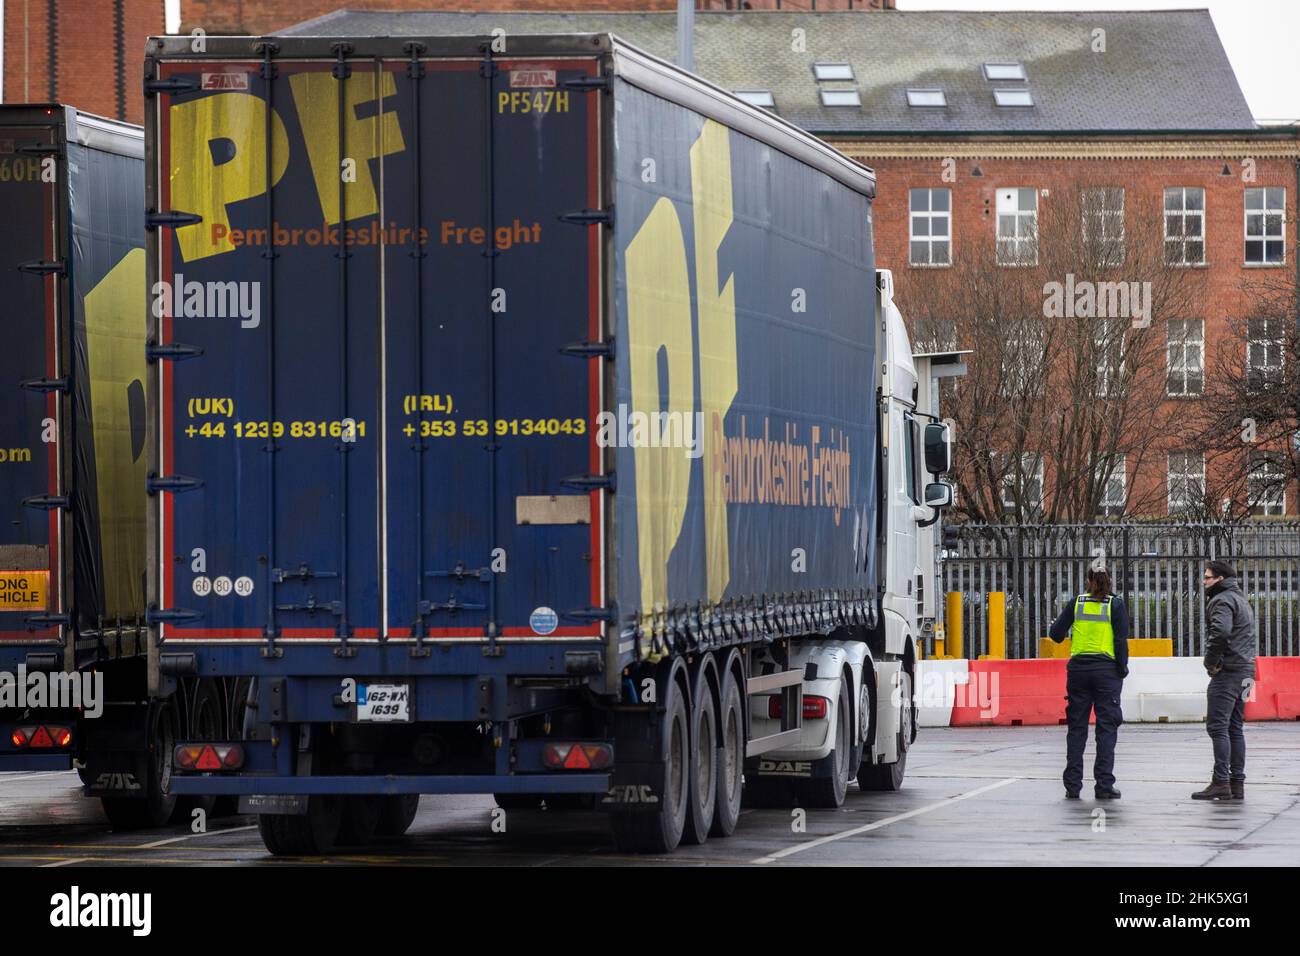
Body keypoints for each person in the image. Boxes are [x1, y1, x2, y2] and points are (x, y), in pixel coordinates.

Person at [1048, 568, 1129, 800]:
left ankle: (1072, 785)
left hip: (1078, 671)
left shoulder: (1077, 603)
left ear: (1087, 581)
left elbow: (1055, 635)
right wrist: (1121, 669)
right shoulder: (1116, 605)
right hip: (1106, 672)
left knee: (1077, 729)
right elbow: (1121, 640)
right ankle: (1104, 785)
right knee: (1106, 729)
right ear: (1110, 581)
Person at [1192, 560, 1257, 801]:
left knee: (1218, 726)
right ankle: (1236, 784)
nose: (1204, 581)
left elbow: (1220, 632)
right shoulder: (1240, 599)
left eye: (1208, 577)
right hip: (1247, 671)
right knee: (1235, 727)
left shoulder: (1221, 600)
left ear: (1219, 578)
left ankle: (1221, 782)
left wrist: (1210, 662)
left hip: (1228, 672)